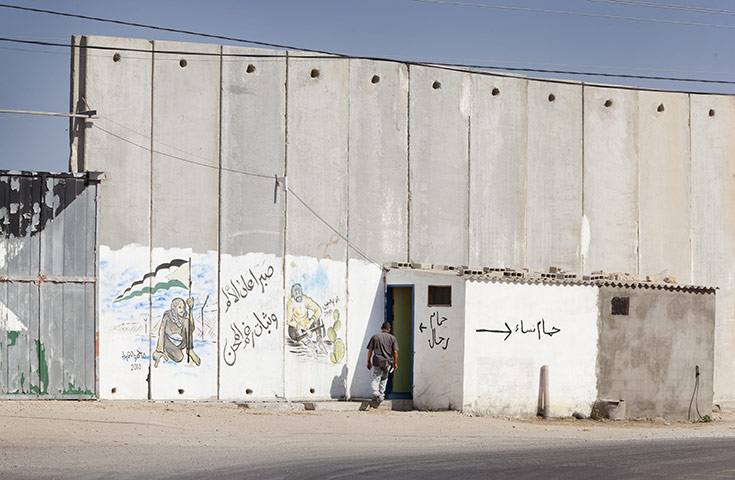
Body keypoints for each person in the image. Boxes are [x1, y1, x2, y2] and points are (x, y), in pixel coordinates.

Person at [153, 297, 200, 367]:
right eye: (180, 307)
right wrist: (159, 349)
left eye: (184, 307)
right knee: (179, 357)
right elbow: (161, 330)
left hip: (180, 343)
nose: (182, 310)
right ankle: (167, 350)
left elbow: (192, 328)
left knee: (187, 322)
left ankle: (190, 350)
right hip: (168, 342)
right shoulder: (167, 315)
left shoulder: (184, 318)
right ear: (174, 308)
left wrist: (190, 309)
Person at [286, 283, 326, 355]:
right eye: (295, 292)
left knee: (318, 319)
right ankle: (310, 346)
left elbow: (318, 310)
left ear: (301, 291)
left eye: (299, 291)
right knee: (294, 328)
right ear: (293, 294)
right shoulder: (291, 303)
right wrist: (303, 327)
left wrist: (309, 323)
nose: (298, 294)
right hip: (296, 331)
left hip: (307, 325)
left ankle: (320, 341)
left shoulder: (306, 299)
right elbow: (289, 321)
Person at [366, 321, 399, 406]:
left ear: (381, 328)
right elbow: (395, 352)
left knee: (375, 377)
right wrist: (395, 363)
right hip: (387, 362)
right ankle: (381, 395)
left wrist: (368, 360)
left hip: (377, 360)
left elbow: (370, 350)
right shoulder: (392, 338)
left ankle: (375, 392)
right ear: (389, 329)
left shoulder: (375, 337)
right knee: (384, 378)